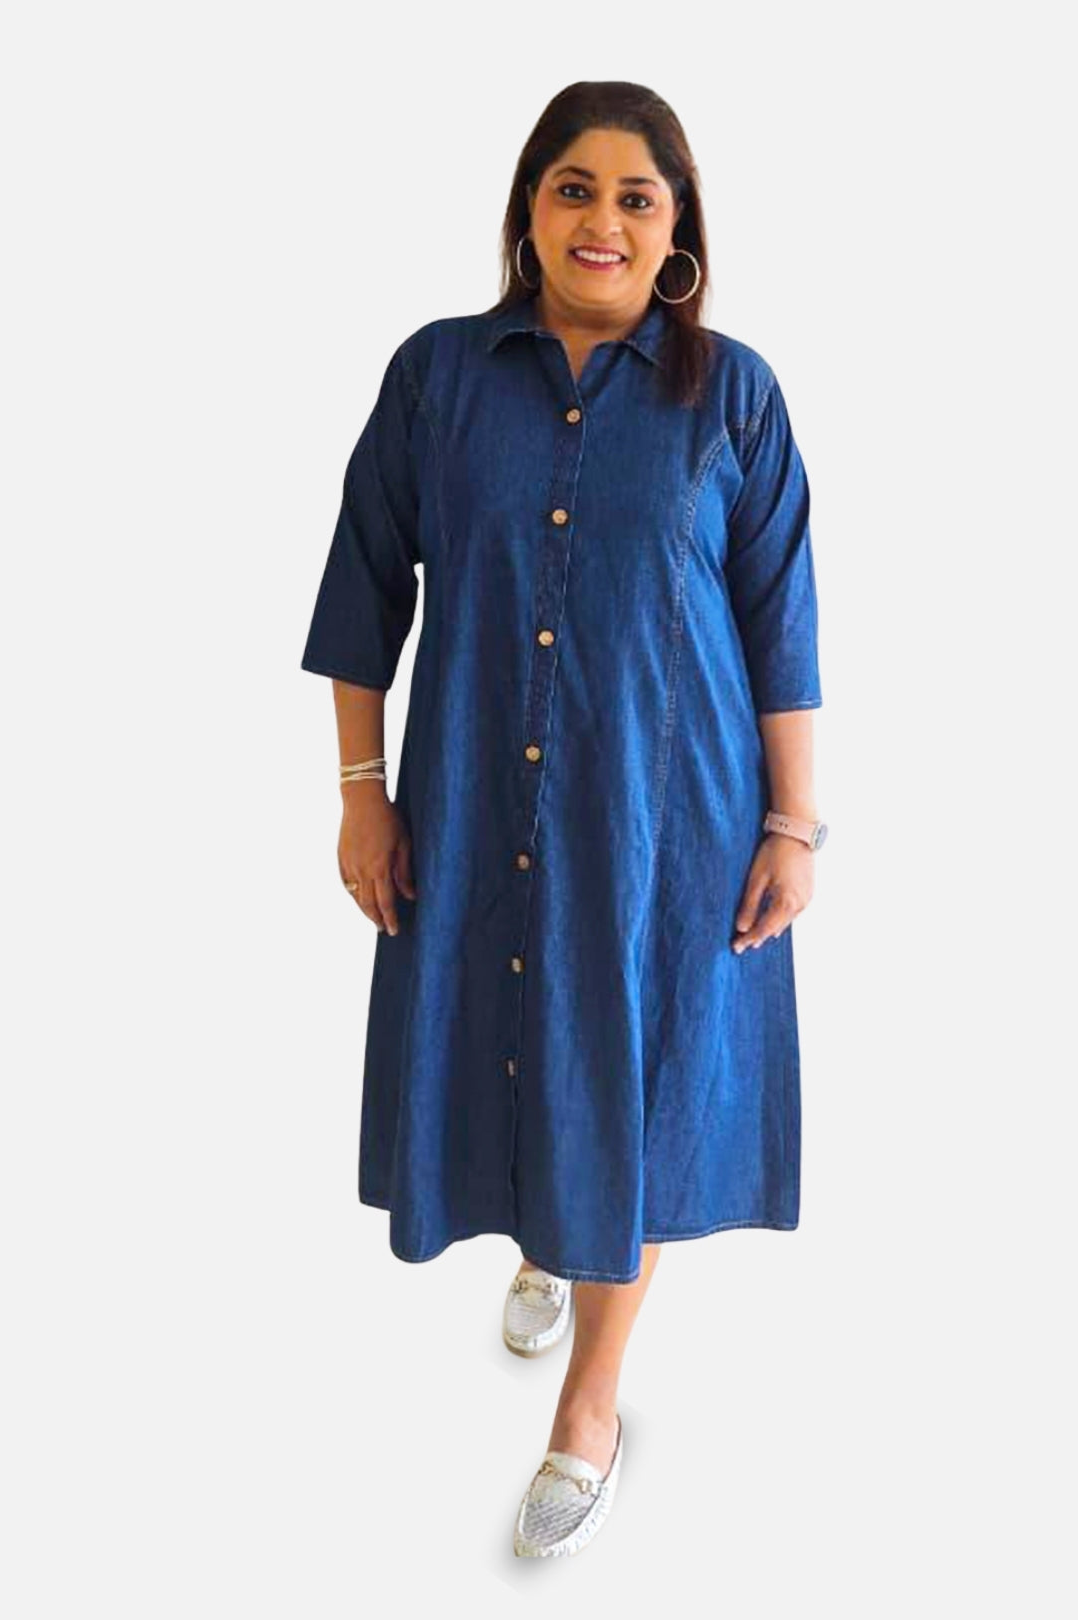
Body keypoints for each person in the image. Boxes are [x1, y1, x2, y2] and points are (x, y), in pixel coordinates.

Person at [299, 81, 826, 1558]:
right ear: (528, 211)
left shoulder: (733, 396)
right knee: (509, 1025)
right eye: (573, 189)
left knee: (639, 1072)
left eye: (636, 197)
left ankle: (591, 1401)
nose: (604, 220)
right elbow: (363, 593)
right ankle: (544, 1233)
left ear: (678, 230)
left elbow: (781, 619)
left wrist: (795, 826)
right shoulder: (438, 378)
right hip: (476, 796)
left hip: (671, 815)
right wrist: (360, 795)